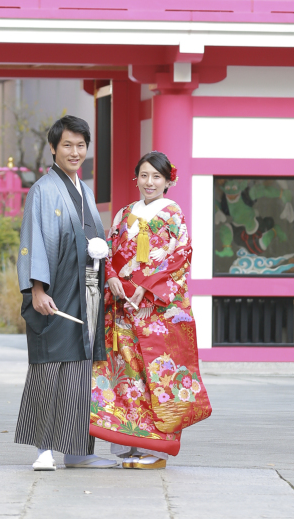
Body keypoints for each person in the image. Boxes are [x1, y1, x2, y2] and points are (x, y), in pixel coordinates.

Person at [90, 151, 212, 468]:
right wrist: (111, 277)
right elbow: (109, 250)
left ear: (168, 181)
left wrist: (146, 286)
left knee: (157, 374)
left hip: (155, 309)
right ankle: (132, 444)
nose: (149, 182)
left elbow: (180, 256)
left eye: (156, 176)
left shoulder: (173, 214)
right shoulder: (124, 214)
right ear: (137, 178)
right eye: (144, 175)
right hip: (123, 306)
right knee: (127, 374)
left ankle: (158, 450)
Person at [15, 115, 116, 471]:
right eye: (67, 145)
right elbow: (33, 240)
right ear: (54, 148)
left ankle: (77, 451)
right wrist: (37, 289)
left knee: (80, 370)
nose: (75, 152)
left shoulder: (84, 190)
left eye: (81, 145)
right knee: (49, 366)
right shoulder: (43, 190)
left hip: (86, 291)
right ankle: (43, 449)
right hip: (55, 291)